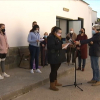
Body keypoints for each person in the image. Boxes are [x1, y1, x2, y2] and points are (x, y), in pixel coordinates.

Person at [47, 26, 67, 91]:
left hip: (58, 56)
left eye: (61, 32)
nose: (60, 34)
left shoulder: (58, 37)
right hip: (53, 56)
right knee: (53, 70)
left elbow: (59, 46)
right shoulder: (50, 37)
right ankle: (52, 85)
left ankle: (55, 81)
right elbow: (51, 46)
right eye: (59, 32)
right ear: (55, 32)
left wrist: (64, 46)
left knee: (55, 70)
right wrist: (61, 46)